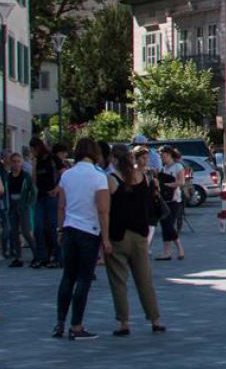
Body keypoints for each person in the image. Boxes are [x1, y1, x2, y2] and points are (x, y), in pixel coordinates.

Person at [105, 148, 166, 335]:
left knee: (118, 281)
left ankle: (124, 323)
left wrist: (104, 237)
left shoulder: (112, 179)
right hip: (140, 234)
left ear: (114, 159)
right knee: (144, 280)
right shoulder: (143, 177)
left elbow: (105, 210)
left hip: (118, 235)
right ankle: (155, 319)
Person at [54, 137, 111, 341]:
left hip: (70, 228)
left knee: (67, 277)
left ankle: (59, 322)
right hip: (90, 230)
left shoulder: (67, 175)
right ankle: (76, 325)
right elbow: (103, 210)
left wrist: (60, 229)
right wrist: (106, 239)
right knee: (84, 279)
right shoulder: (99, 176)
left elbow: (61, 205)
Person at [30, 139, 62, 268]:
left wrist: (57, 189)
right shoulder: (37, 162)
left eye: (33, 149)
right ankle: (42, 256)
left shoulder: (53, 159)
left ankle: (57, 256)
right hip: (41, 197)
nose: (32, 152)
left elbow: (64, 173)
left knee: (52, 227)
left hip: (52, 196)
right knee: (38, 227)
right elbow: (34, 179)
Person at [2, 150, 34, 268]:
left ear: (21, 163)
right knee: (13, 232)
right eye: (14, 162)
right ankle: (18, 257)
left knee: (26, 231)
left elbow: (33, 191)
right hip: (12, 204)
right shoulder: (8, 177)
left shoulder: (26, 176)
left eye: (18, 162)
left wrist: (28, 203)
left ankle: (36, 253)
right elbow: (5, 191)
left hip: (23, 205)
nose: (16, 164)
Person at [156, 147, 188, 260]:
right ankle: (167, 252)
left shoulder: (178, 166)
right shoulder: (163, 168)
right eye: (161, 156)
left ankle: (180, 249)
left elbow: (181, 182)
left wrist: (167, 185)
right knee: (164, 226)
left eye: (164, 156)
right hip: (164, 200)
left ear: (170, 155)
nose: (162, 158)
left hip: (175, 200)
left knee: (169, 225)